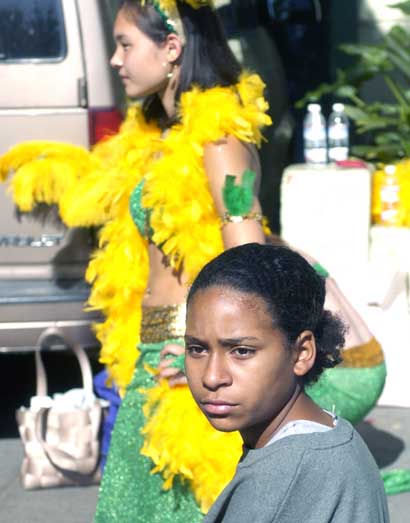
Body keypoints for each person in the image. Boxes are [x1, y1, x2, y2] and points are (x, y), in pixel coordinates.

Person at [0, 0, 385, 520]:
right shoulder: (152, 135)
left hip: (190, 355)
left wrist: (200, 351)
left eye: (126, 44)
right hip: (150, 354)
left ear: (173, 48)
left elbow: (248, 258)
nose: (115, 60)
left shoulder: (218, 139)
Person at [185, 243, 390, 523]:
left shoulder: (288, 472)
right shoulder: (330, 435)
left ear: (302, 352)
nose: (212, 377)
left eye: (242, 351)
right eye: (197, 348)